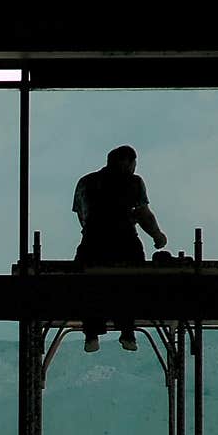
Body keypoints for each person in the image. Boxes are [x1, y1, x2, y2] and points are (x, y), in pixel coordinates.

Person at [72, 144, 167, 352]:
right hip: (124, 242)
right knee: (131, 284)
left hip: (92, 244)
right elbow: (143, 214)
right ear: (129, 162)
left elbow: (82, 216)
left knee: (89, 286)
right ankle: (127, 332)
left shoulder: (85, 182)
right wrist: (158, 236)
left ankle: (91, 334)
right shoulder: (132, 182)